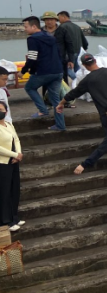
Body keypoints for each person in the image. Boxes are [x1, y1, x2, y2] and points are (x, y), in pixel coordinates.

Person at [21, 16, 66, 131]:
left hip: (43, 72)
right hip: (57, 71)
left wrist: (24, 71)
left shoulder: (32, 39)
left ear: (34, 26)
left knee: (29, 87)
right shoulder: (50, 37)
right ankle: (60, 125)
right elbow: (59, 53)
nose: (24, 29)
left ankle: (43, 110)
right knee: (55, 99)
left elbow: (32, 58)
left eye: (26, 26)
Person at [0, 101, 23, 233]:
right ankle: (6, 221)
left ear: (6, 111)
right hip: (2, 163)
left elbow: (17, 139)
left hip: (14, 162)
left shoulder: (9, 124)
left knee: (14, 189)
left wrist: (18, 154)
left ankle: (14, 217)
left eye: (1, 109)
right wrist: (14, 154)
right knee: (4, 192)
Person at [55, 11, 89, 83]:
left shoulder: (62, 27)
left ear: (64, 17)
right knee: (78, 70)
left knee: (66, 69)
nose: (58, 20)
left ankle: (78, 81)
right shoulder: (76, 26)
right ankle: (81, 82)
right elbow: (84, 40)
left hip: (68, 53)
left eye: (59, 18)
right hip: (79, 52)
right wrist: (85, 48)